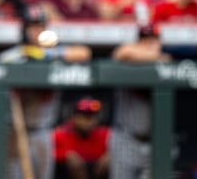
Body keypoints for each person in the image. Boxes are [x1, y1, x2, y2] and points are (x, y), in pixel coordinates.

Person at [0, 6, 91, 179]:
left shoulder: (53, 53)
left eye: (40, 26)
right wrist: (26, 55)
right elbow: (1, 63)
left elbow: (84, 53)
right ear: (25, 30)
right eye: (32, 27)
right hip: (16, 130)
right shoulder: (14, 56)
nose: (36, 31)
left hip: (43, 130)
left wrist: (45, 54)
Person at [110, 25, 170, 179]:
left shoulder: (164, 64)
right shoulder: (128, 61)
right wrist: (157, 56)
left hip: (155, 142)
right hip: (127, 139)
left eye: (153, 40)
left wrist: (159, 57)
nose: (149, 44)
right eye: (144, 40)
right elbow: (122, 52)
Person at [53, 97, 111, 179]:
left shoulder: (105, 134)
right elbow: (49, 155)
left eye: (92, 116)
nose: (88, 121)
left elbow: (120, 149)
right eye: (84, 116)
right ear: (73, 117)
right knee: (74, 164)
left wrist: (110, 155)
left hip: (96, 174)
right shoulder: (60, 134)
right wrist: (65, 155)